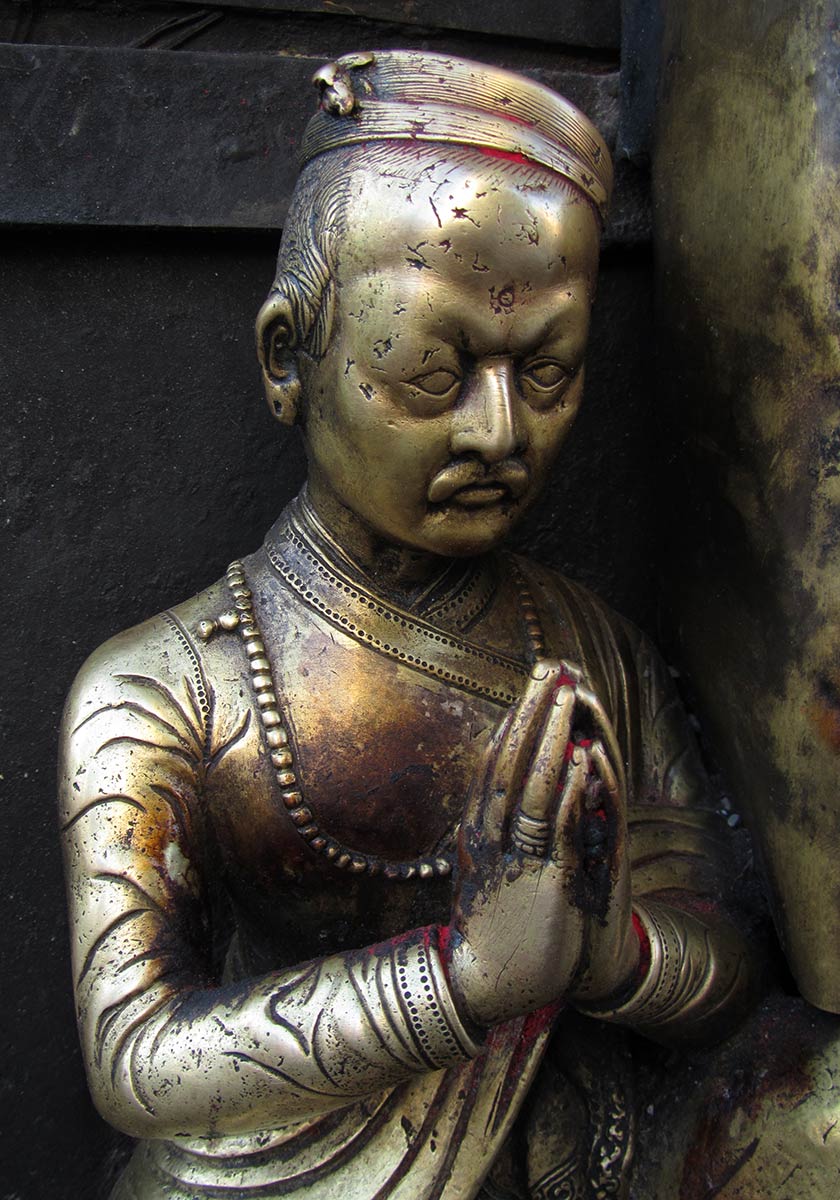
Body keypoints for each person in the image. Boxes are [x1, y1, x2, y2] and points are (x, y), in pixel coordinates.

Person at [59, 51, 754, 1200]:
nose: (500, 432)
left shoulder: (594, 652)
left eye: (548, 373)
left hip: (579, 1139)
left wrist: (613, 954)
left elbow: (728, 961)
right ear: (291, 357)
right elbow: (138, 1058)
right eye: (435, 374)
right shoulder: (164, 687)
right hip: (287, 1163)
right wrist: (466, 980)